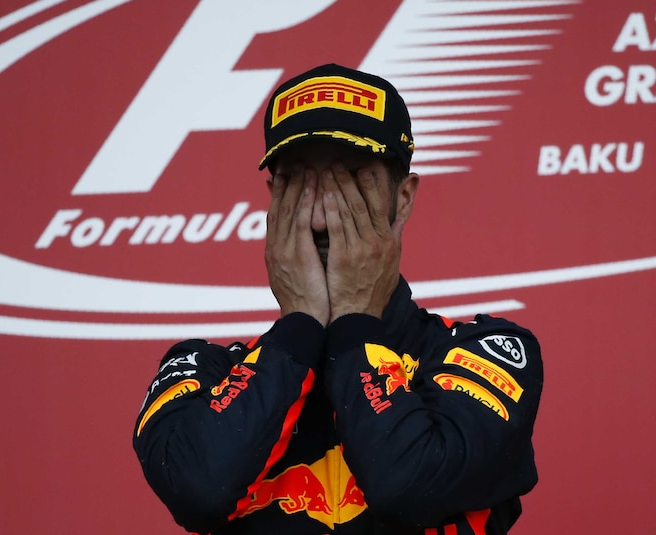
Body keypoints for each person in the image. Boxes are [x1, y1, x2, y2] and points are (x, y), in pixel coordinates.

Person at [133, 63, 542, 535]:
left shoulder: (484, 351)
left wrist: (355, 321)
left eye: (350, 181)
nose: (325, 216)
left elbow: (407, 486)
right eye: (300, 183)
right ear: (272, 198)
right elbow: (201, 491)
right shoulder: (204, 370)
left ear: (403, 199)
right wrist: (301, 325)